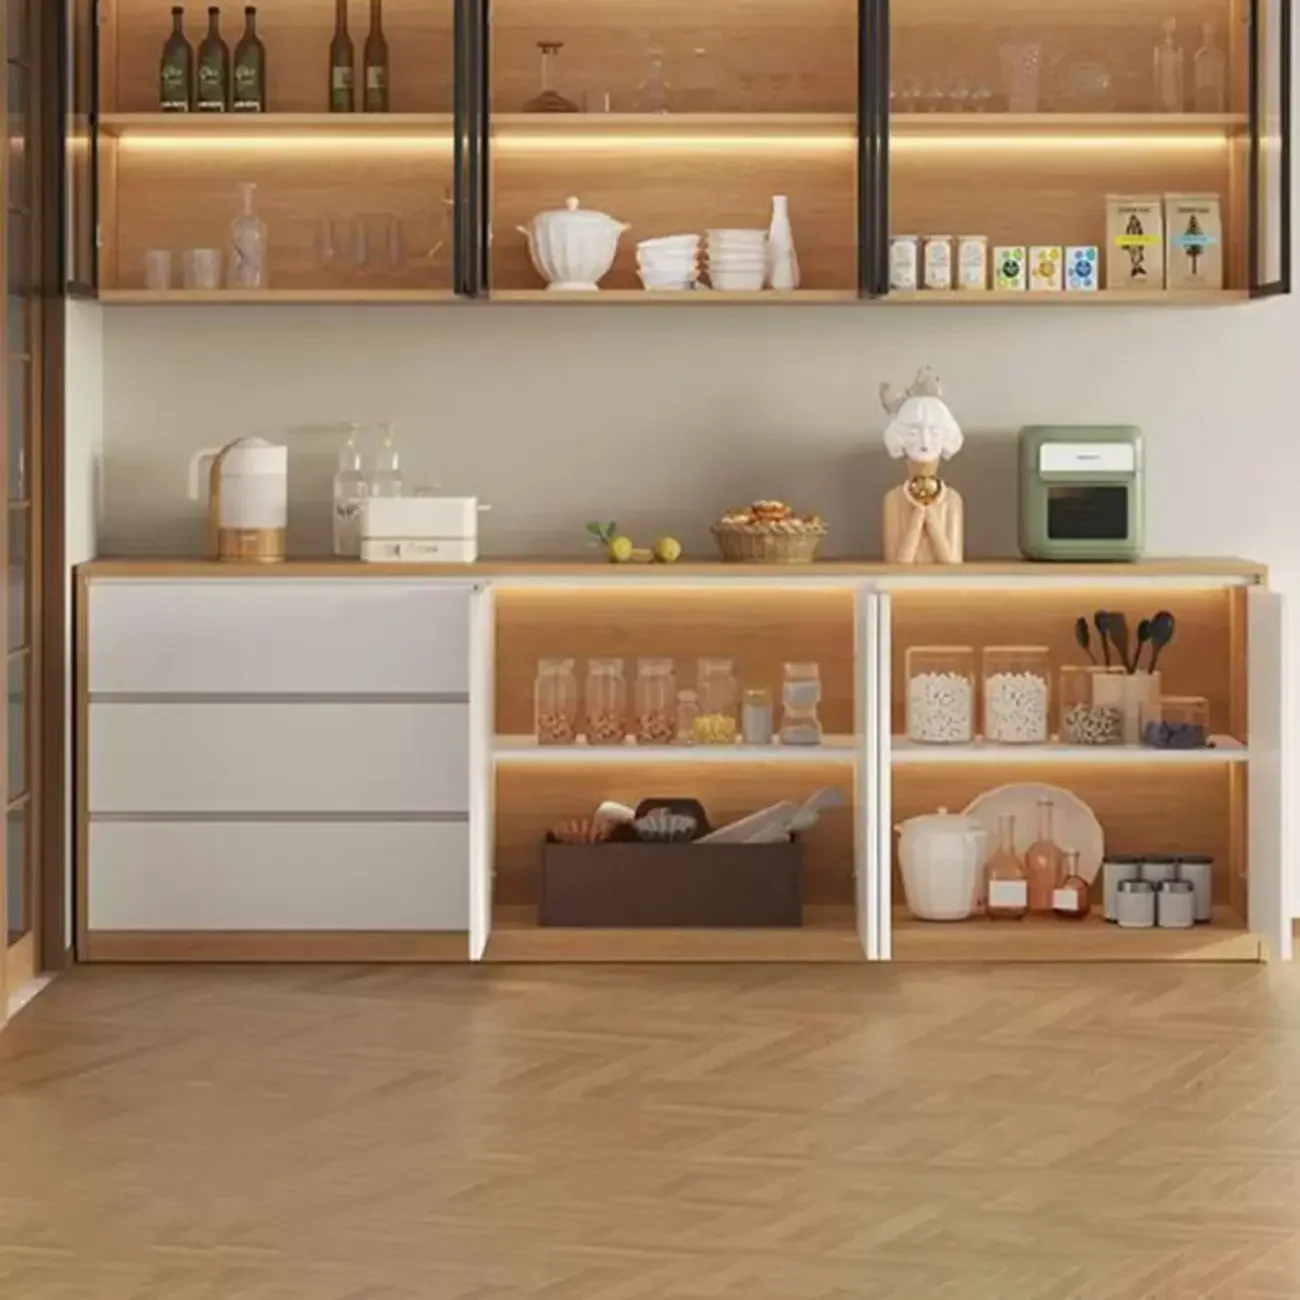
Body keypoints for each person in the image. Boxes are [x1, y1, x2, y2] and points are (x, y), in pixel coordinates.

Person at [879, 366, 965, 565]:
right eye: (914, 433)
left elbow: (952, 564)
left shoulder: (952, 500)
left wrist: (931, 518)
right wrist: (918, 517)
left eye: (934, 432)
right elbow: (898, 564)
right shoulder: (893, 499)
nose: (925, 442)